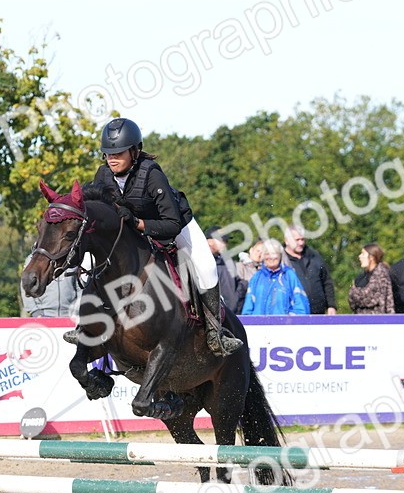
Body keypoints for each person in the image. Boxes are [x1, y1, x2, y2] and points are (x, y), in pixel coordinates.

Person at [64, 118, 242, 356]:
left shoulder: (151, 175)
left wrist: (137, 223)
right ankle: (85, 325)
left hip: (176, 225)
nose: (112, 158)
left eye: (118, 152)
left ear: (134, 151)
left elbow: (172, 224)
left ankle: (215, 332)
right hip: (130, 232)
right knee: (91, 263)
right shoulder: (103, 175)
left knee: (207, 267)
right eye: (107, 153)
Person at [242, 239, 310, 315]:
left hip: (285, 325)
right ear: (263, 256)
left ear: (280, 255)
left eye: (274, 253)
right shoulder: (256, 277)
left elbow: (301, 307)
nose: (271, 257)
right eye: (267, 253)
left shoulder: (289, 275)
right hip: (259, 325)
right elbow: (248, 308)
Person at [283, 226, 336, 314]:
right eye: (297, 240)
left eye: (302, 239)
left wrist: (331, 305)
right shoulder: (280, 260)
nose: (300, 243)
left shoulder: (314, 256)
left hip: (318, 312)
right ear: (287, 241)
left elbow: (327, 281)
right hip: (292, 313)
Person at [204, 226, 246, 314]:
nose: (225, 243)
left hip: (231, 314)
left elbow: (237, 285)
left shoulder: (228, 261)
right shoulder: (200, 262)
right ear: (209, 241)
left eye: (226, 241)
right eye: (221, 240)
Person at [347, 242, 395, 314]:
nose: (360, 256)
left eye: (363, 254)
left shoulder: (381, 274)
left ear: (372, 257)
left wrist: (354, 292)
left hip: (377, 320)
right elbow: (351, 300)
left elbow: (369, 297)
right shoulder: (361, 277)